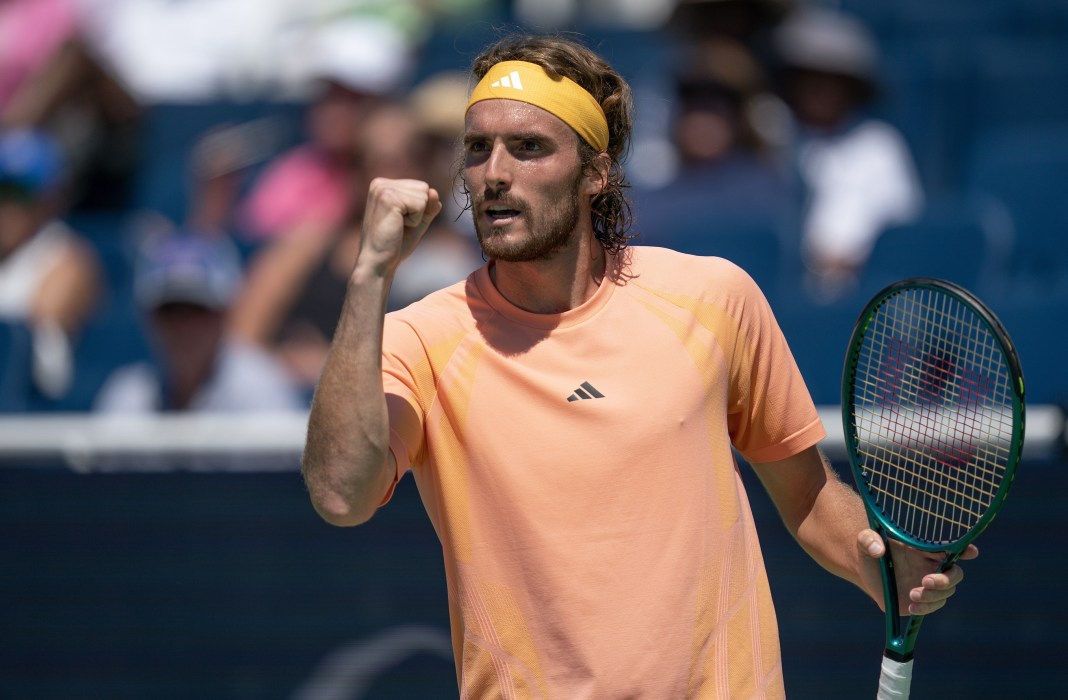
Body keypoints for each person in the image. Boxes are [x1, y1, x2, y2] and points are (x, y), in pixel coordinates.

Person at [302, 33, 975, 697]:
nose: (494, 173)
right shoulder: (415, 338)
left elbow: (805, 495)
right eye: (478, 149)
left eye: (529, 147)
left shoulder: (716, 298)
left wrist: (877, 562)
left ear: (595, 174)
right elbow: (340, 496)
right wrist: (370, 275)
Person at [771, 6, 924, 300]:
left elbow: (903, 228)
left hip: (866, 298)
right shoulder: (774, 137)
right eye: (809, 76)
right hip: (784, 300)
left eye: (832, 78)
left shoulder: (880, 146)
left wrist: (849, 259)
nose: (819, 88)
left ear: (852, 85)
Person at [93, 229, 303, 413]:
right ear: (150, 318)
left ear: (224, 313)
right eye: (170, 310)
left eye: (199, 310)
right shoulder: (127, 395)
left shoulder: (263, 390)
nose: (185, 326)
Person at [0, 127, 101, 400]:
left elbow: (32, 339)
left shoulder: (64, 256)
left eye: (20, 194)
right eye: (1, 192)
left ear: (49, 200)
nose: (7, 206)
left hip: (27, 407)